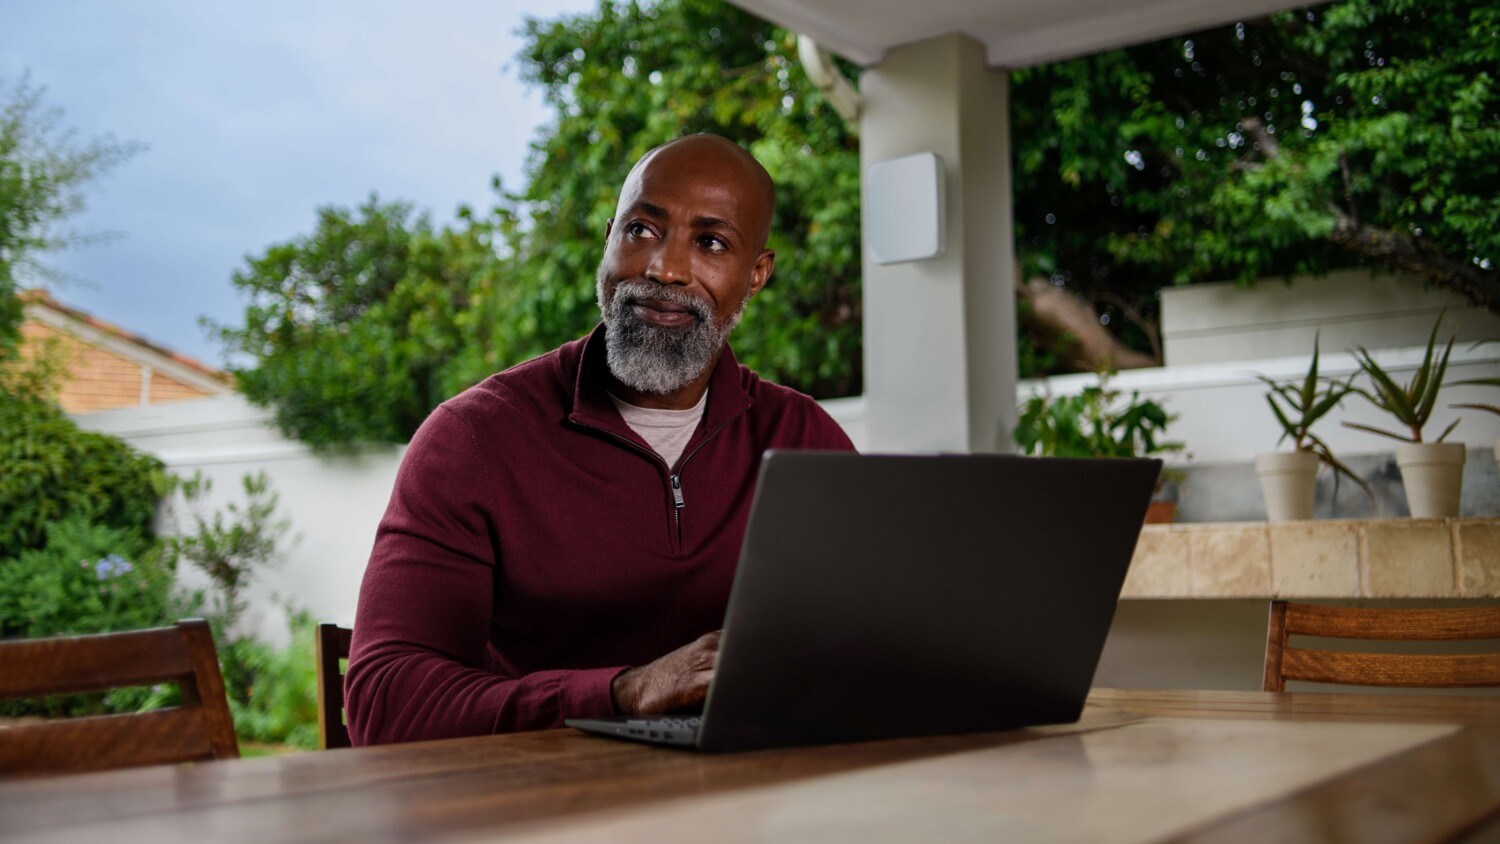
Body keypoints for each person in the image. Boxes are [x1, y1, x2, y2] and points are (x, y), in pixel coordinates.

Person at [346, 134, 856, 744]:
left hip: (752, 805)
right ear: (608, 238)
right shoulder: (472, 440)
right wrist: (623, 691)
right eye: (642, 230)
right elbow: (385, 703)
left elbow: (876, 650)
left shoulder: (807, 439)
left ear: (756, 275)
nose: (665, 268)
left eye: (712, 243)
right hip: (547, 810)